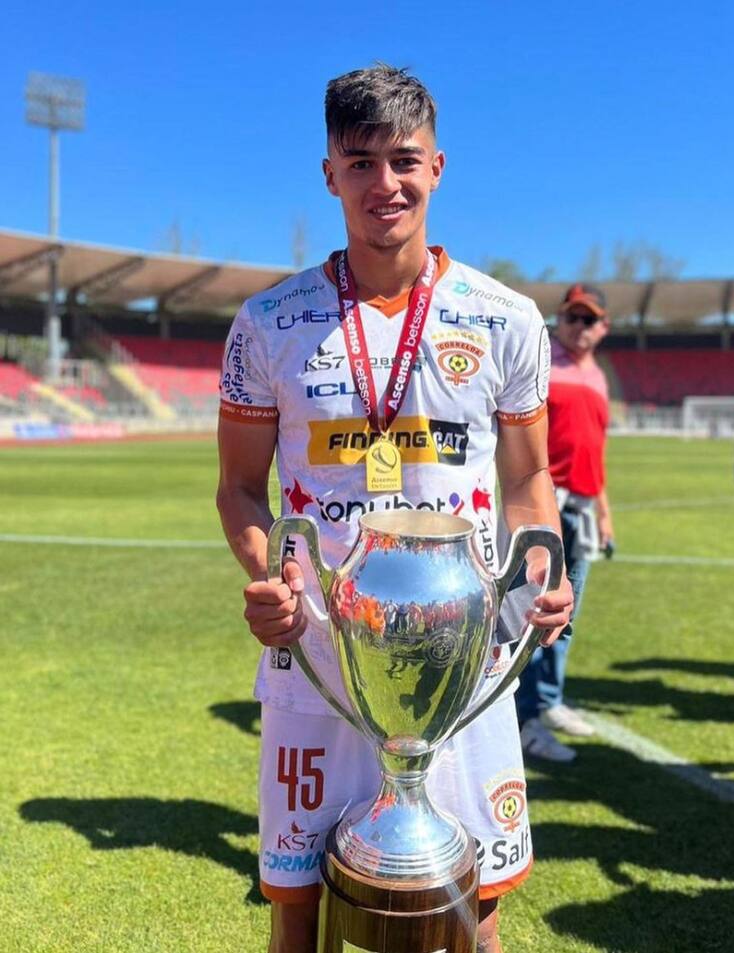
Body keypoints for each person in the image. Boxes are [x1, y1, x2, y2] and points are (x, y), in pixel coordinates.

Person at [216, 65, 573, 953]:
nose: (386, 183)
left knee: (475, 905)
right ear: (330, 174)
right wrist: (270, 576)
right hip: (320, 650)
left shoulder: (505, 319)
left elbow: (530, 479)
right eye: (361, 162)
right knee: (299, 902)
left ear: (437, 167)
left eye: (404, 160)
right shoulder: (268, 322)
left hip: (466, 651)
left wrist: (540, 569)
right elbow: (239, 487)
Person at [512, 283, 613, 762]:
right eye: (571, 317)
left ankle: (548, 702)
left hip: (584, 508)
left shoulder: (598, 377)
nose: (579, 327)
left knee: (565, 616)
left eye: (588, 319)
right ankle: (524, 718)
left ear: (604, 327)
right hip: (548, 505)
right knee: (538, 611)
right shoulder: (542, 363)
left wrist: (604, 512)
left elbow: (596, 452)